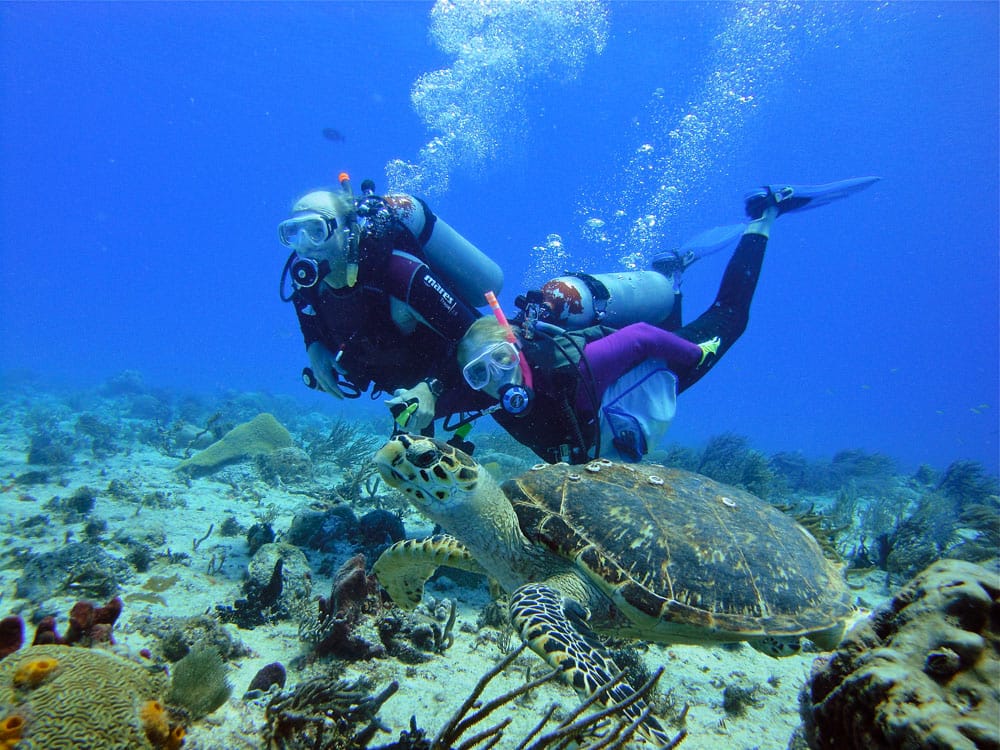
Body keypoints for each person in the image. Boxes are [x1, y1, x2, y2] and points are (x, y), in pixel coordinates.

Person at [450, 177, 880, 464]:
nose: (497, 378)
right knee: (671, 332)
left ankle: (764, 215)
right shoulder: (490, 397)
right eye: (479, 373)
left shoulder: (574, 370)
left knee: (729, 317)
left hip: (649, 372)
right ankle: (672, 276)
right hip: (618, 407)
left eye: (502, 359)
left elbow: (640, 337)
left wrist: (693, 355)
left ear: (518, 347)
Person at [279, 175, 503, 432]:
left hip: (458, 379)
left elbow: (474, 337)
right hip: (402, 389)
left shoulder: (401, 274)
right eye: (293, 232)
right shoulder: (306, 282)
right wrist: (314, 346)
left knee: (512, 395)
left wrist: (432, 387)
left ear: (348, 231)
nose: (305, 245)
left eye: (317, 230)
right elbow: (305, 312)